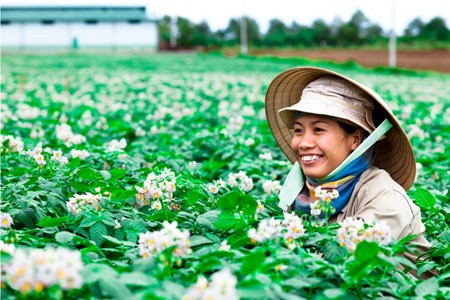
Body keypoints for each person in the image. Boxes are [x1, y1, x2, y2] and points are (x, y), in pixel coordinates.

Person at [264, 66, 432, 276]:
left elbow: (336, 267)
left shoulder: (386, 197)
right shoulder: (298, 192)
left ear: (356, 139)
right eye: (298, 130)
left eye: (319, 130)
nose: (304, 142)